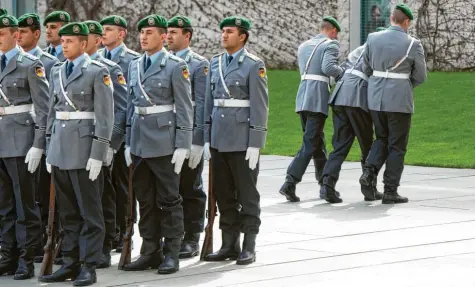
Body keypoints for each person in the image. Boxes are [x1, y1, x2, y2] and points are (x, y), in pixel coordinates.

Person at [39, 22, 114, 286]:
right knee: (68, 212)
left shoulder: (97, 71)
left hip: (85, 151)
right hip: (60, 148)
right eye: (63, 41)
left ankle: (89, 266)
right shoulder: (58, 70)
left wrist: (98, 152)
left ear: (84, 44)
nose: (64, 45)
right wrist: (49, 147)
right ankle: (70, 262)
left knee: (90, 213)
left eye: (70, 41)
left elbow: (105, 118)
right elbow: (51, 112)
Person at [123, 14, 193, 274]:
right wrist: (129, 141)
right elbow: (131, 106)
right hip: (140, 141)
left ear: (163, 37)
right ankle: (150, 249)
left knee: (169, 199)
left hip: (164, 142)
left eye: (149, 32)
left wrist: (183, 144)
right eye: (141, 32)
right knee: (145, 199)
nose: (143, 36)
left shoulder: (175, 65)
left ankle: (172, 252)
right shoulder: (134, 65)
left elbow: (185, 108)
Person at [203, 16, 268, 265]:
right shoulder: (216, 62)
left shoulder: (253, 65)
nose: (224, 35)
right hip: (219, 138)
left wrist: (256, 142)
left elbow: (260, 106)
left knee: (247, 194)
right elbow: (209, 103)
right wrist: (207, 137)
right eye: (223, 31)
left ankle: (249, 244)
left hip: (242, 141)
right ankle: (229, 244)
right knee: (223, 193)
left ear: (243, 36)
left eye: (230, 32)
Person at [359, 4, 426, 204]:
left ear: (391, 19)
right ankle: (390, 191)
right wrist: (404, 86)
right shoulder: (413, 43)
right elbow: (420, 76)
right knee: (397, 146)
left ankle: (369, 173)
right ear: (406, 22)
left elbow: (366, 66)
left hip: (376, 97)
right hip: (399, 100)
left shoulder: (372, 38)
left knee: (381, 138)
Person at [0, 14, 49, 280]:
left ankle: (26, 258)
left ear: (15, 35)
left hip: (21, 142)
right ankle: (7, 254)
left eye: (1, 34)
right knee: (4, 206)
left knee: (24, 206)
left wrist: (38, 145)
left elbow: (43, 109)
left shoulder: (30, 64)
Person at [279, 16, 344, 202]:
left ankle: (325, 185)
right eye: (336, 34)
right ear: (333, 31)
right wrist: (343, 75)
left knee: (317, 141)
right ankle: (289, 183)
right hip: (317, 98)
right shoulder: (330, 44)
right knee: (310, 143)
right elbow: (328, 67)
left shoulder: (304, 45)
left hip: (303, 97)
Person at [320, 30, 388, 203]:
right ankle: (369, 188)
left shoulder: (358, 49)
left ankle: (327, 185)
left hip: (340, 93)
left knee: (340, 145)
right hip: (357, 95)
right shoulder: (378, 50)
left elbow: (342, 68)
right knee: (367, 145)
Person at [16, 12, 60, 263]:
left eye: (24, 32)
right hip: (15, 134)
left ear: (36, 34)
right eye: (17, 31)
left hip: (38, 134)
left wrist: (45, 139)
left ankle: (44, 239)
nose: (20, 35)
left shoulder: (48, 62)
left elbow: (50, 104)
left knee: (41, 193)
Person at [84, 20, 128, 269]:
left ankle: (105, 243)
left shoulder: (109, 69)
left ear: (96, 41)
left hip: (101, 142)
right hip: (76, 141)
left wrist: (111, 144)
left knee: (103, 194)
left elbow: (120, 109)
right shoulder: (64, 68)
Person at [166, 15, 209, 259]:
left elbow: (201, 104)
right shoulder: (163, 62)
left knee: (190, 186)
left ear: (187, 36)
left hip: (188, 133)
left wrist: (197, 140)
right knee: (168, 188)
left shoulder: (198, 64)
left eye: (174, 32)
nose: (169, 36)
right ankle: (172, 234)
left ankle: (192, 236)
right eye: (168, 32)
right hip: (165, 134)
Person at [99, 15, 140, 252]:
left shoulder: (132, 61)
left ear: (121, 34)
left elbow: (128, 103)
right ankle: (111, 230)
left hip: (121, 132)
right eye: (102, 29)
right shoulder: (98, 59)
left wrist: (117, 138)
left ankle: (126, 231)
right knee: (105, 187)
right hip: (101, 132)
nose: (104, 33)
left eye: (109, 29)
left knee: (123, 185)